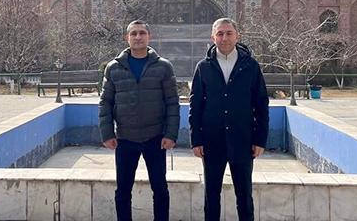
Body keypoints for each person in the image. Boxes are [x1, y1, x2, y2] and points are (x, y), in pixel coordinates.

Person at [189, 18, 269, 221]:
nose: (224, 38)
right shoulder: (204, 67)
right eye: (220, 34)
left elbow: (260, 103)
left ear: (237, 36)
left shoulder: (250, 66)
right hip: (212, 141)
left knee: (244, 196)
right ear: (213, 37)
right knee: (211, 196)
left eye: (228, 33)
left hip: (242, 139)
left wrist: (260, 139)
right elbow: (195, 106)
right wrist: (196, 140)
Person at [99, 20, 180, 221]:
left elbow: (172, 103)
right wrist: (107, 134)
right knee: (123, 191)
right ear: (127, 38)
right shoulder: (114, 68)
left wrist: (170, 134)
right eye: (133, 33)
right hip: (125, 138)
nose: (138, 37)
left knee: (160, 189)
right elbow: (106, 103)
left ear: (149, 37)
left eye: (142, 33)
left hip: (155, 137)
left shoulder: (163, 66)